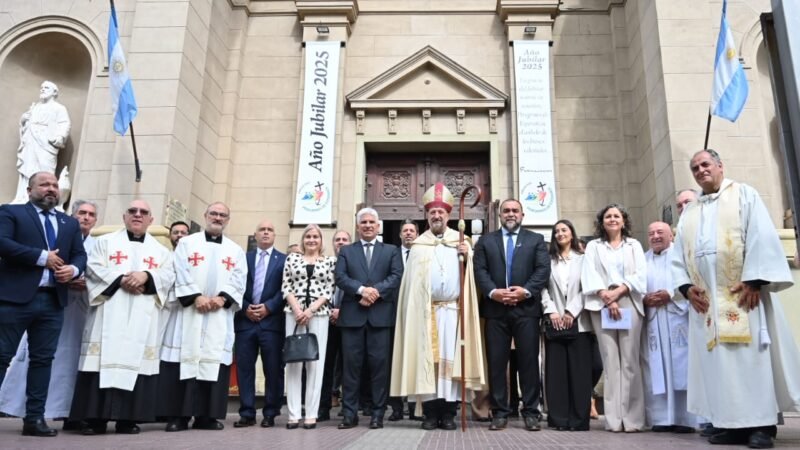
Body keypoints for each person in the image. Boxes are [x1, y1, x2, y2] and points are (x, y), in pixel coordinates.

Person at [672, 149, 800, 448]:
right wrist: (686, 288)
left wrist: (755, 280)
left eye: (706, 164)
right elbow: (677, 258)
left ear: (720, 165)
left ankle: (762, 426)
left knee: (751, 360)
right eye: (695, 168)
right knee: (718, 364)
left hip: (743, 296)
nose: (701, 170)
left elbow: (761, 236)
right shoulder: (691, 210)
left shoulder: (744, 194)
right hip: (707, 305)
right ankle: (731, 424)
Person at [69, 200, 175, 435]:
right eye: (133, 211)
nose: (138, 215)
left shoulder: (161, 251)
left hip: (142, 314)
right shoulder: (104, 243)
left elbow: (167, 277)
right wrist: (123, 279)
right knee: (99, 361)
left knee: (136, 362)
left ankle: (128, 419)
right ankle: (94, 419)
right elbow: (93, 268)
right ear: (124, 216)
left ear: (151, 219)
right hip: (109, 309)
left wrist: (146, 276)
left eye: (143, 212)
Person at [390, 182, 485, 431]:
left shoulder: (461, 242)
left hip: (454, 312)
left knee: (452, 363)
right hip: (427, 313)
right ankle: (431, 413)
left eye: (440, 212)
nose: (436, 216)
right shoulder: (419, 246)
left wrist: (469, 256)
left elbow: (472, 279)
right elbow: (411, 285)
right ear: (427, 216)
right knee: (429, 364)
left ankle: (449, 413)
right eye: (432, 212)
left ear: (448, 215)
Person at [0, 171, 86, 437]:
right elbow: (2, 243)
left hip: (52, 301)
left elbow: (79, 254)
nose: (51, 189)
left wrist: (72, 270)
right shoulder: (12, 213)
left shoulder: (68, 223)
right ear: (29, 190)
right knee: (2, 356)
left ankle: (34, 419)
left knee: (42, 361)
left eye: (54, 185)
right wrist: (41, 258)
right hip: (15, 299)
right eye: (44, 184)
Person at [157, 202, 246, 432]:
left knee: (213, 360)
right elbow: (179, 271)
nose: (217, 218)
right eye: (214, 214)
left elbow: (239, 279)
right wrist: (195, 297)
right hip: (190, 313)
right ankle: (178, 416)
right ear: (205, 215)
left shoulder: (235, 250)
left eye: (222, 215)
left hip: (218, 315)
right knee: (183, 360)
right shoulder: (187, 243)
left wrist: (222, 299)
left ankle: (208, 416)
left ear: (228, 220)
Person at [473, 199, 550, 432]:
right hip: (496, 311)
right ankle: (500, 412)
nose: (510, 214)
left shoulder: (535, 240)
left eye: (514, 210)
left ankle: (530, 412)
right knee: (497, 363)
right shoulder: (486, 241)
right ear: (499, 215)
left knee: (528, 362)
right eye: (506, 210)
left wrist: (524, 291)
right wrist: (493, 292)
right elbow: (480, 270)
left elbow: (542, 270)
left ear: (522, 214)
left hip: (526, 309)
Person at [581, 203, 647, 433]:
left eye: (616, 216)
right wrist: (607, 297)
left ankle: (632, 419)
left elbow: (641, 273)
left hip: (628, 300)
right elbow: (588, 273)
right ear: (602, 222)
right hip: (602, 304)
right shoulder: (593, 247)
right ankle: (613, 419)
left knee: (630, 362)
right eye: (607, 216)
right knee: (611, 362)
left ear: (624, 221)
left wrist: (619, 292)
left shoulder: (634, 245)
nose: (612, 219)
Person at [335, 208, 403, 429]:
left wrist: (373, 293)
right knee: (351, 369)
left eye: (371, 222)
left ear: (378, 226)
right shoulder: (347, 251)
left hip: (380, 318)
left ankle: (377, 414)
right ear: (357, 226)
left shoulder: (391, 250)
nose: (367, 225)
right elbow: (341, 277)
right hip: (352, 318)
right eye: (363, 222)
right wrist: (362, 290)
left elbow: (396, 276)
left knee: (379, 369)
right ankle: (349, 414)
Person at [641, 221, 695, 433]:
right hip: (654, 321)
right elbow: (636, 286)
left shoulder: (680, 257)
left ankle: (686, 419)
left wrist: (671, 294)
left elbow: (691, 281)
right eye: (651, 233)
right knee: (657, 367)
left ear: (671, 236)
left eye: (660, 232)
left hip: (678, 318)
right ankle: (662, 418)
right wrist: (644, 299)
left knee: (682, 365)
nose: (655, 236)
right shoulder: (643, 260)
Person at [540, 219, 593, 431]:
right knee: (557, 373)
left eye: (564, 230)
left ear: (572, 233)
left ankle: (579, 420)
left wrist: (571, 310)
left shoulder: (584, 259)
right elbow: (542, 288)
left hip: (578, 322)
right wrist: (551, 310)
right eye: (556, 231)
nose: (560, 234)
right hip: (555, 323)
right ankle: (559, 419)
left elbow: (587, 287)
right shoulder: (547, 261)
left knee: (579, 373)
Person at [232, 220, 286, 428]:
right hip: (246, 322)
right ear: (255, 235)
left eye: (269, 230)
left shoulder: (284, 260)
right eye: (262, 230)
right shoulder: (243, 259)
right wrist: (245, 307)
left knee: (273, 368)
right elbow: (234, 285)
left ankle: (271, 412)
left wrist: (268, 307)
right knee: (245, 368)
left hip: (271, 323)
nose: (265, 233)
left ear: (274, 235)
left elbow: (286, 288)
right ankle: (247, 412)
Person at [281, 224, 336, 429]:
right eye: (308, 236)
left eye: (316, 236)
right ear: (303, 240)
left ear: (321, 241)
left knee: (315, 363)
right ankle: (293, 414)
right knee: (294, 362)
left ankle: (311, 413)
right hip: (293, 314)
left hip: (319, 314)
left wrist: (311, 310)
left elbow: (330, 288)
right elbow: (286, 285)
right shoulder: (292, 258)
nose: (312, 240)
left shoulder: (330, 261)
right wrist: (297, 310)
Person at [12, 81, 71, 204]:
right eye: (42, 87)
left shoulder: (59, 108)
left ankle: (44, 198)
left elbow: (65, 124)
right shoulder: (35, 106)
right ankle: (24, 196)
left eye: (46, 88)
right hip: (31, 141)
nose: (43, 89)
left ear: (54, 92)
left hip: (46, 143)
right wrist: (24, 120)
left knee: (45, 169)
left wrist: (60, 136)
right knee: (28, 167)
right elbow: (26, 122)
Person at [319, 230, 351, 421]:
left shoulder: (356, 264)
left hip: (349, 321)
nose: (341, 243)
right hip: (326, 320)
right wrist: (330, 310)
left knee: (349, 367)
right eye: (337, 240)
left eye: (344, 240)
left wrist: (342, 311)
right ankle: (323, 408)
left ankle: (348, 407)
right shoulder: (326, 263)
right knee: (325, 366)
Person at [395, 219, 419, 421]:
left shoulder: (422, 255)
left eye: (412, 231)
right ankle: (396, 408)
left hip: (417, 315)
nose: (409, 234)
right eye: (405, 231)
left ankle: (414, 407)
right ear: (400, 235)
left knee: (413, 359)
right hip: (393, 313)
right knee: (394, 360)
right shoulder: (391, 254)